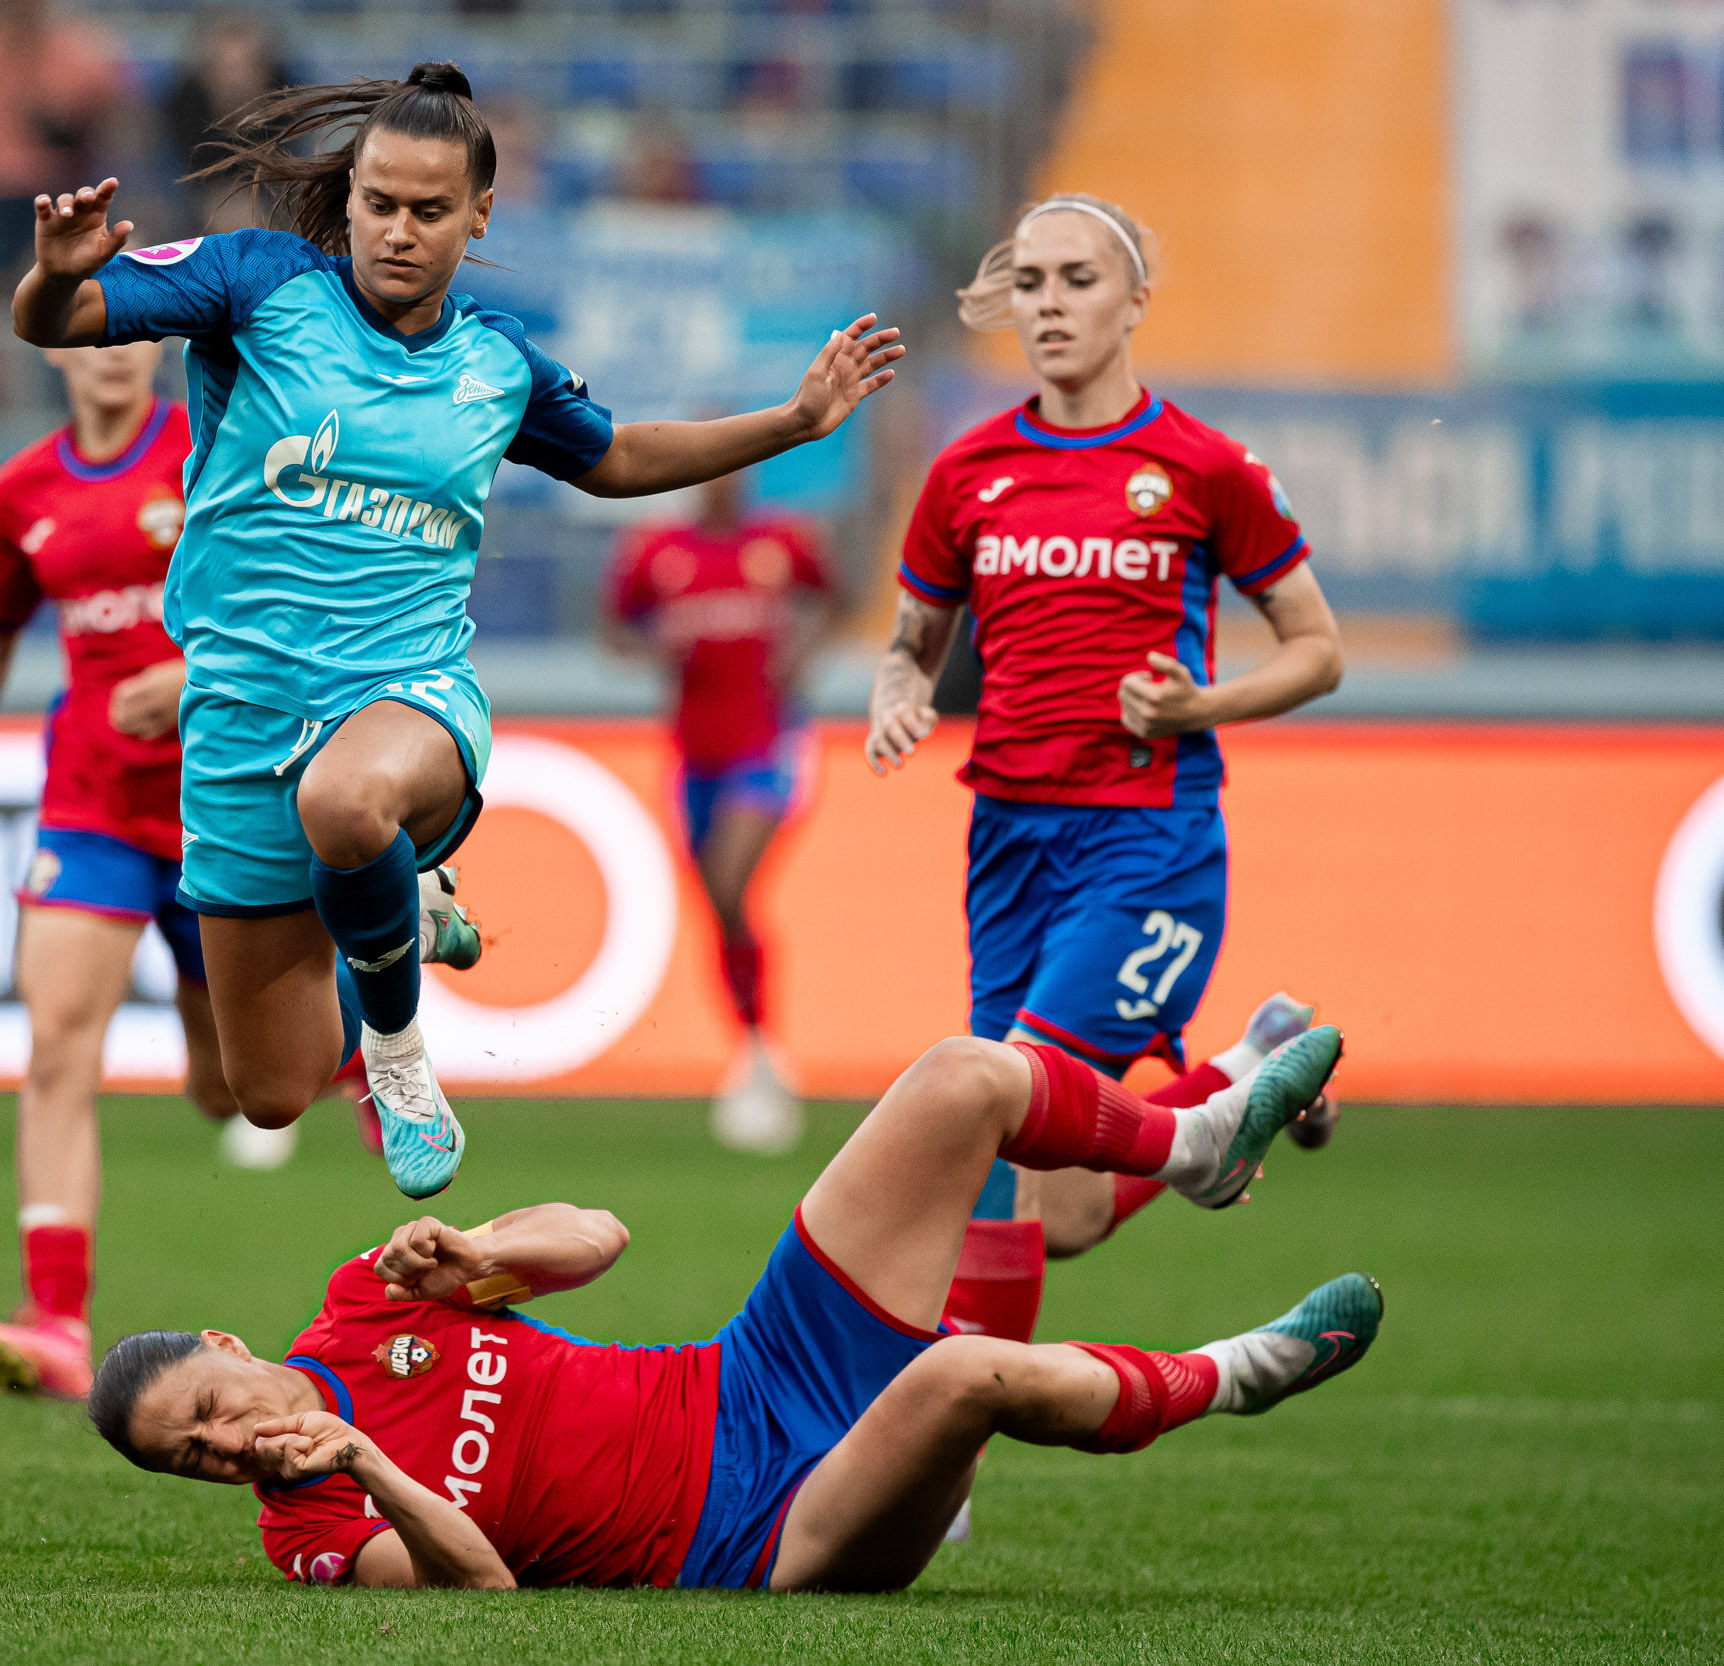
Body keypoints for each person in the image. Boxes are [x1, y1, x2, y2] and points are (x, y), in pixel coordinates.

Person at [10, 62, 904, 1201]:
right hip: (238, 723)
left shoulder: (494, 364)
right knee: (268, 1089)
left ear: (479, 214)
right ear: (350, 199)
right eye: (378, 203)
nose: (397, 230)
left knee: (347, 800)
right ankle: (403, 917)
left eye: (429, 211)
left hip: (410, 699)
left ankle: (397, 1052)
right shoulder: (255, 286)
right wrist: (51, 279)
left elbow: (618, 456)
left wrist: (794, 420)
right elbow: (63, 319)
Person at [85, 1023, 1373, 1591]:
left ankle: (1196, 1140)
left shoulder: (366, 1306)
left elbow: (599, 1239)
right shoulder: (309, 1520)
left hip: (749, 1372)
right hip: (769, 1534)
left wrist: (474, 1245)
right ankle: (1244, 1371)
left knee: (959, 1078)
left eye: (206, 1412)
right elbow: (476, 1589)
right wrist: (366, 1459)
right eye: (190, 1461)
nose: (224, 1447)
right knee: (959, 1373)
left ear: (226, 1345)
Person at [862, 194, 1345, 1346]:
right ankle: (1247, 1069)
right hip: (1008, 839)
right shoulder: (966, 471)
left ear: (1133, 301)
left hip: (1146, 834)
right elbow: (909, 637)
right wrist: (897, 691)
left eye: (1077, 279)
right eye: (1029, 283)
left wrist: (1200, 703)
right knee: (1061, 1209)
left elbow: (1318, 651)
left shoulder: (1203, 466)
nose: (1049, 305)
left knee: (989, 1105)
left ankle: (948, 1458)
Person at [0, 341, 242, 1402]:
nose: (114, 355)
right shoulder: (24, 488)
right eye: (92, 335)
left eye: (131, 330)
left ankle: (355, 1037)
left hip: (220, 806)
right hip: (91, 808)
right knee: (55, 1044)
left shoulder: (211, 445)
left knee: (233, 1093)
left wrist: (188, 675)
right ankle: (58, 1318)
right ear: (54, 348)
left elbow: (290, 606)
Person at [601, 466, 837, 1155]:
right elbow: (613, 626)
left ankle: (761, 1056)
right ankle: (758, 1050)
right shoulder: (659, 556)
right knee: (721, 907)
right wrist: (653, 650)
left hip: (770, 745)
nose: (723, 486)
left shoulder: (782, 545)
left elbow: (834, 599)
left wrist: (804, 655)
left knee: (732, 883)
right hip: (695, 756)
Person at [0, 0, 129, 291]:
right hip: (1, 189)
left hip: (68, 184)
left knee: (74, 283)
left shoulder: (79, 48)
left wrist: (68, 122)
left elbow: (112, 117)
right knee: (1, 285)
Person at [163, 8, 292, 233]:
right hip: (195, 210)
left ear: (262, 68)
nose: (236, 80)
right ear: (208, 71)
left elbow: (287, 174)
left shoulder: (287, 108)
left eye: (244, 68)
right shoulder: (182, 107)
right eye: (228, 69)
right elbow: (180, 173)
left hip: (266, 208)